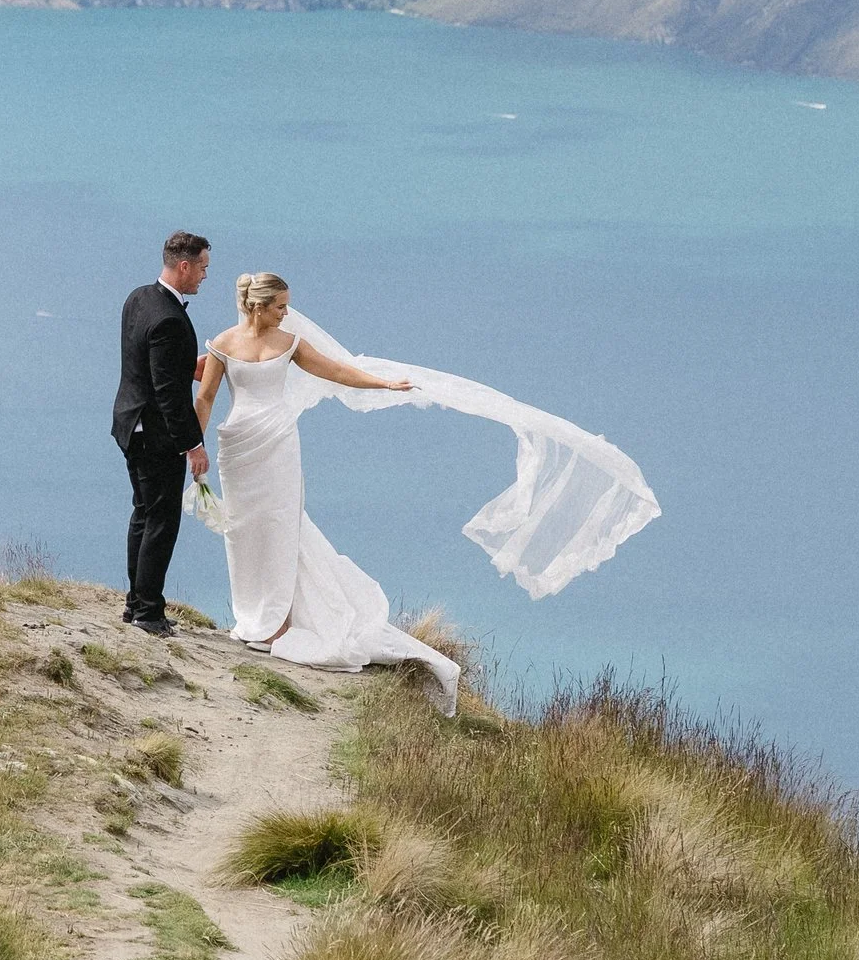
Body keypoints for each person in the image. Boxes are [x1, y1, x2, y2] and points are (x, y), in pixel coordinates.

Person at [191, 268, 661, 715]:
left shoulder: (290, 342)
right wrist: (196, 446)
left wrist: (383, 384)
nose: (286, 314)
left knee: (280, 525)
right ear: (260, 306)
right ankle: (250, 616)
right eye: (280, 308)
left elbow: (337, 371)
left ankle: (275, 622)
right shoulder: (222, 345)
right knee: (243, 530)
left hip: (279, 443)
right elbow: (207, 397)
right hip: (239, 443)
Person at [112, 229, 211, 636]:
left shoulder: (139, 297)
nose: (205, 276)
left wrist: (189, 365)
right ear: (183, 265)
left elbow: (151, 362)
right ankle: (148, 613)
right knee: (162, 520)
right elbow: (169, 394)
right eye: (202, 268)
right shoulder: (170, 317)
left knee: (144, 513)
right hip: (155, 433)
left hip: (129, 423)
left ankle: (136, 602)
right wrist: (194, 444)